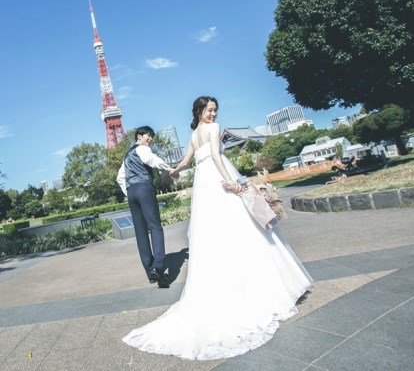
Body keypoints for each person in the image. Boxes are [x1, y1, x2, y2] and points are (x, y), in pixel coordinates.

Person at [122, 97, 313, 360]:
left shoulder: (193, 134)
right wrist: (231, 182)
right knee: (240, 226)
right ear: (200, 111)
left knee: (214, 232)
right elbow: (215, 155)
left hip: (204, 185)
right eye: (210, 110)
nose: (214, 113)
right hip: (218, 177)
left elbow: (187, 161)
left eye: (215, 110)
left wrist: (173, 171)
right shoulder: (212, 128)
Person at [117, 125, 174, 288]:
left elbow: (120, 178)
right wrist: (168, 168)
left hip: (132, 192)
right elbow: (152, 160)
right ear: (139, 136)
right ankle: (158, 266)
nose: (151, 139)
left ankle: (150, 273)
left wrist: (129, 192)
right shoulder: (142, 149)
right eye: (148, 135)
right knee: (155, 227)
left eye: (152, 136)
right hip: (144, 189)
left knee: (141, 233)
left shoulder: (127, 156)